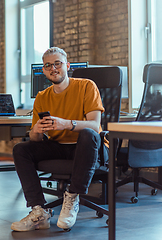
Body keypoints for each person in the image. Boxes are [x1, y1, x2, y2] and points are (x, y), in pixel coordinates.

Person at [11, 47, 107, 231]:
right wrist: (37, 130)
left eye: (57, 63)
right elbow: (35, 139)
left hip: (87, 147)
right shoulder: (42, 97)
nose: (53, 68)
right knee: (21, 149)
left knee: (88, 133)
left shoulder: (86, 85)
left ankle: (72, 196)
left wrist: (66, 124)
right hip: (58, 145)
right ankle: (39, 211)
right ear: (43, 70)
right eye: (48, 65)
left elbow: (95, 126)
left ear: (67, 66)